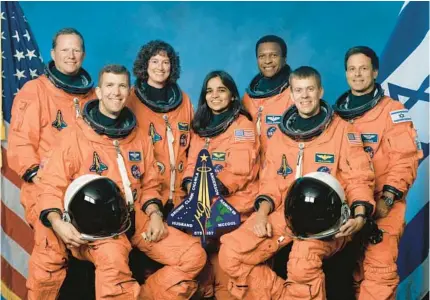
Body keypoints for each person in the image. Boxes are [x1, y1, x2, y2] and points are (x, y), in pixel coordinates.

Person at [31, 65, 206, 300]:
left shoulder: (139, 137)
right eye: (110, 86)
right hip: (97, 228)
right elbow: (51, 185)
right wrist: (57, 222)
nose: (116, 92)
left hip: (136, 218)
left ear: (129, 90)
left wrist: (154, 213)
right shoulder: (74, 136)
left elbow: (151, 184)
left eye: (122, 85)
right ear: (99, 92)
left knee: (194, 256)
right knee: (114, 265)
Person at [218, 66, 376, 300]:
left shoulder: (343, 131)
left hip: (329, 220)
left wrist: (360, 214)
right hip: (286, 215)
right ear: (291, 95)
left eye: (310, 89)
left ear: (320, 91)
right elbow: (270, 182)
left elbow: (359, 178)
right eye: (299, 90)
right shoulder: (281, 136)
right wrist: (261, 214)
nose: (304, 96)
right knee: (230, 253)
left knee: (302, 263)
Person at [333, 46, 423, 300]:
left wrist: (387, 199)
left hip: (384, 207)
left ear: (375, 72)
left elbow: (405, 160)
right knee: (344, 275)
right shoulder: (336, 116)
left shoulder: (392, 112)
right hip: (347, 206)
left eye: (363, 68)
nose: (357, 74)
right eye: (352, 69)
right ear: (346, 73)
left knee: (379, 275)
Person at [181, 70, 260, 299]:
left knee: (226, 269)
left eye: (221, 90)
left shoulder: (242, 126)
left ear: (233, 96)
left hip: (236, 206)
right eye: (209, 91)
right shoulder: (201, 126)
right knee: (197, 259)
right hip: (204, 205)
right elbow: (191, 164)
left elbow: (238, 171)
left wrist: (205, 195)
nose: (215, 95)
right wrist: (191, 190)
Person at [8, 27, 95, 229]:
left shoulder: (93, 97)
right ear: (53, 54)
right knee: (53, 253)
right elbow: (20, 141)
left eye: (76, 50)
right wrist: (36, 175)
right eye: (65, 50)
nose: (71, 56)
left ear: (83, 54)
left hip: (85, 188)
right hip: (46, 188)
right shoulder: (35, 91)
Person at [127, 40, 194, 215]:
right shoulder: (130, 100)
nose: (160, 67)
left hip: (181, 195)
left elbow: (193, 145)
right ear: (145, 64)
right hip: (147, 197)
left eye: (166, 62)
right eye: (154, 61)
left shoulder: (184, 101)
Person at [243, 34, 294, 159]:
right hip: (254, 168)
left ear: (284, 58)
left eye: (274, 55)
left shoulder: (296, 93)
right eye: (262, 56)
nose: (267, 61)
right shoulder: (248, 97)